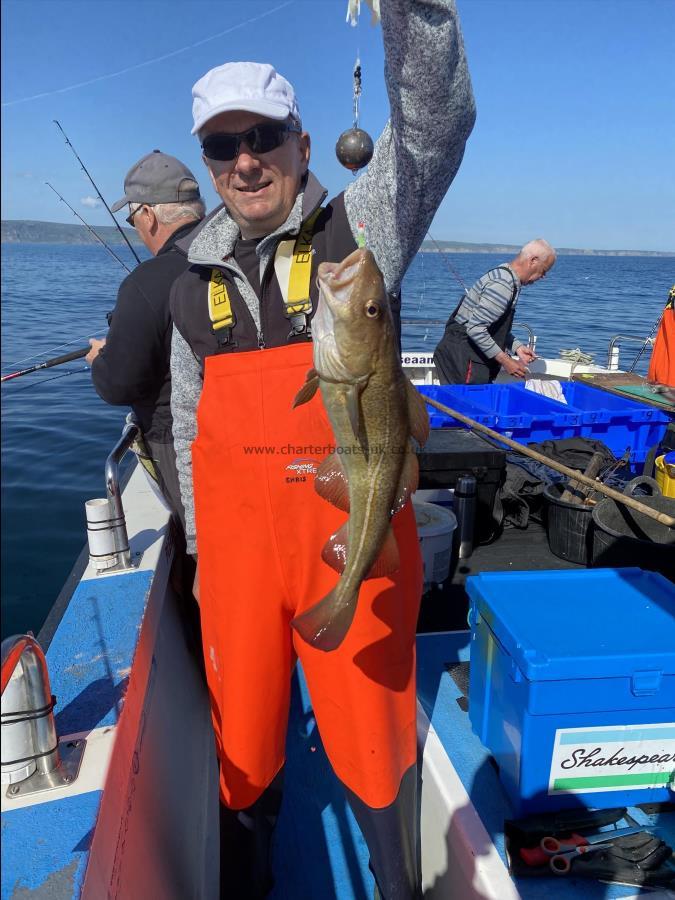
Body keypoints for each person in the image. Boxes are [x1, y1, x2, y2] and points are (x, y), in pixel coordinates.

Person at [170, 4, 475, 897]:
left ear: (303, 143)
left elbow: (432, 131)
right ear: (208, 164)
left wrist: (415, 15)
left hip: (352, 534)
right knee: (246, 747)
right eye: (223, 148)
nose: (245, 161)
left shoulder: (360, 231)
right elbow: (191, 428)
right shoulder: (193, 280)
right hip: (233, 562)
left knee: (373, 743)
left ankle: (393, 881)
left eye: (263, 136)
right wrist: (195, 553)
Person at [86, 150, 205, 527]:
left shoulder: (146, 282)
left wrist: (99, 360)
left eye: (133, 218)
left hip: (179, 444)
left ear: (149, 216)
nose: (136, 228)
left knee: (208, 548)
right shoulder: (231, 254)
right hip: (246, 434)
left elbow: (118, 384)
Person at [433, 239, 557, 384]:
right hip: (463, 357)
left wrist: (516, 347)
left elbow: (493, 326)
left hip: (465, 354)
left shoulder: (505, 275)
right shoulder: (503, 284)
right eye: (544, 271)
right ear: (533, 261)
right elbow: (476, 329)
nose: (543, 277)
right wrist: (506, 361)